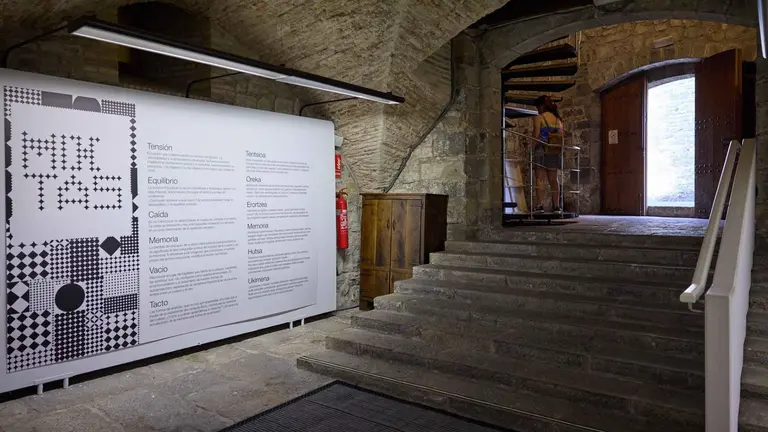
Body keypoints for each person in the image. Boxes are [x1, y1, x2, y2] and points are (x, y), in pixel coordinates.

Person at [531, 95, 564, 213]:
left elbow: (536, 135)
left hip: (541, 149)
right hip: (554, 150)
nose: (537, 110)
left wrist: (530, 149)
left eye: (537, 107)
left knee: (539, 178)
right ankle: (556, 206)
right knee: (553, 179)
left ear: (541, 106)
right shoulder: (558, 120)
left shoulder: (539, 117)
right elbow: (561, 136)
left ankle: (539, 205)